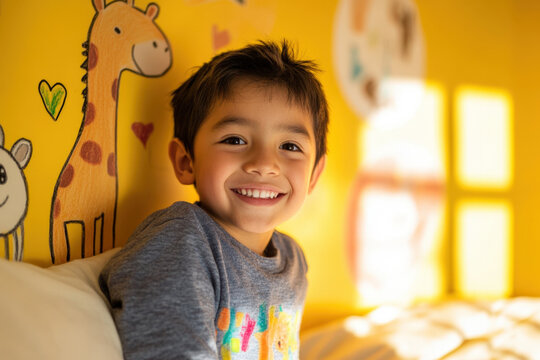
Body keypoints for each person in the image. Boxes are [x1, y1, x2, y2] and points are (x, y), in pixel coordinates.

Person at [99, 40, 329, 360]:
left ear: (314, 175)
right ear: (185, 161)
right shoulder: (181, 240)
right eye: (234, 139)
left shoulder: (293, 261)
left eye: (290, 146)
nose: (264, 163)